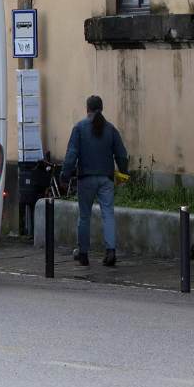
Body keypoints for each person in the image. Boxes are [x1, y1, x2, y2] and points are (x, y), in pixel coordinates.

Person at [61, 95, 129, 267]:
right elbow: (121, 154)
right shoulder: (111, 129)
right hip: (106, 178)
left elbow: (71, 155)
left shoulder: (79, 128)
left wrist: (64, 177)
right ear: (102, 108)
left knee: (84, 216)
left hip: (86, 179)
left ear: (87, 109)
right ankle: (110, 251)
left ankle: (83, 253)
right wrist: (124, 173)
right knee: (108, 214)